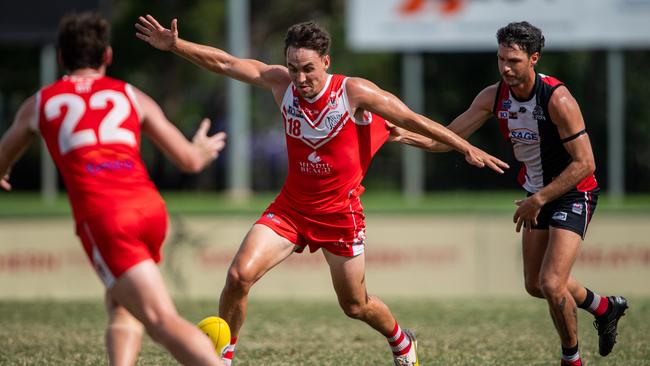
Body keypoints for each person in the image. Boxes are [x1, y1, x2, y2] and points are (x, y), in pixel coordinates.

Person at [135, 15, 509, 366]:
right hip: (290, 209)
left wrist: (465, 147)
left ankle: (401, 340)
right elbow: (226, 64)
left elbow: (412, 119)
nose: (300, 78)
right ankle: (223, 358)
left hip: (339, 215)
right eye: (294, 68)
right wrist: (176, 45)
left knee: (355, 305)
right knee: (238, 277)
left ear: (326, 62)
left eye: (308, 68)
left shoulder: (354, 91)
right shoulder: (281, 83)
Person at [390, 21, 628, 366]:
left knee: (551, 282)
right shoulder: (493, 96)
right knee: (535, 284)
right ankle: (605, 308)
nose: (505, 67)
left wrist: (540, 199)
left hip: (573, 193)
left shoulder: (557, 99)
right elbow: (447, 138)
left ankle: (572, 359)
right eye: (501, 58)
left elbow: (585, 163)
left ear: (534, 58)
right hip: (535, 195)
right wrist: (404, 135)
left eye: (514, 61)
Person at [0, 12, 227, 366]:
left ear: (61, 57)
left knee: (160, 321)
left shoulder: (41, 103)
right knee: (121, 304)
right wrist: (200, 150)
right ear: (106, 56)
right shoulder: (131, 95)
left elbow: (2, 158)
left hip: (107, 217)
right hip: (149, 209)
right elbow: (189, 161)